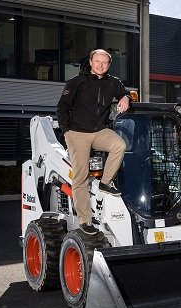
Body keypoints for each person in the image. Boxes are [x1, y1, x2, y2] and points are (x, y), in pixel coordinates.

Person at [56, 49, 130, 235]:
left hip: (99, 131)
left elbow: (125, 93)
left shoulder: (113, 83)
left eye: (104, 62)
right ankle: (85, 220)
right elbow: (62, 107)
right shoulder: (77, 82)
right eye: (97, 61)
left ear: (109, 65)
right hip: (77, 133)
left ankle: (105, 182)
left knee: (119, 145)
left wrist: (125, 97)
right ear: (90, 62)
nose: (100, 65)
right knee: (80, 176)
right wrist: (67, 132)